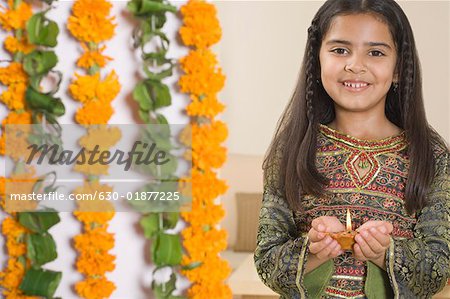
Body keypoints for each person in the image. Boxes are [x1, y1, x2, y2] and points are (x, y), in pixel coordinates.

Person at [254, 0, 450, 298]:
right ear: (316, 59)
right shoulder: (292, 151)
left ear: (398, 68)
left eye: (375, 52)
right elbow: (266, 260)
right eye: (340, 50)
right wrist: (313, 250)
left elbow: (440, 267)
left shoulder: (431, 156)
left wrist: (386, 252)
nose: (355, 65)